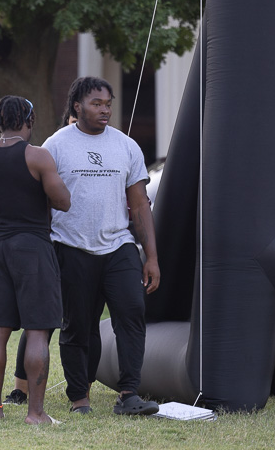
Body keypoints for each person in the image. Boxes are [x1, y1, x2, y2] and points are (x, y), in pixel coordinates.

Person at [42, 76, 161, 416]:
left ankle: (128, 394)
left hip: (118, 246)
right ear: (77, 105)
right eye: (97, 103)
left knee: (132, 314)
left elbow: (139, 206)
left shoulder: (126, 146)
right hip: (70, 246)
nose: (105, 109)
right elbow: (43, 202)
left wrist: (150, 256)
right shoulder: (56, 145)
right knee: (78, 325)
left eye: (108, 103)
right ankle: (79, 397)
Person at [0, 96, 71, 424]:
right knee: (38, 330)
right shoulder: (38, 155)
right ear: (28, 120)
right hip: (33, 245)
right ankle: (36, 413)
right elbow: (63, 201)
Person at [3, 109, 83, 407]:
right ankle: (20, 390)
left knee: (79, 318)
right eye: (74, 124)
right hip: (54, 239)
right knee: (39, 322)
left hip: (90, 244)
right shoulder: (51, 147)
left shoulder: (105, 146)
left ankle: (80, 390)